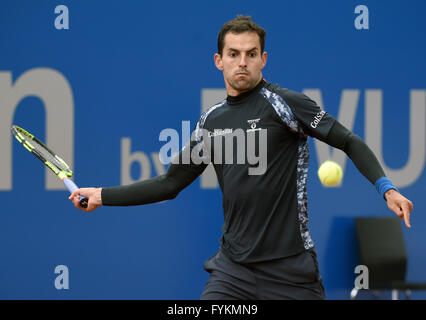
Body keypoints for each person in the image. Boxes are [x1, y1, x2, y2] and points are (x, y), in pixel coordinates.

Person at [69, 15, 414, 300]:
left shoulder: (287, 104)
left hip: (291, 271)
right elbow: (170, 183)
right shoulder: (211, 121)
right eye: (233, 54)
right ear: (219, 61)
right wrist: (101, 195)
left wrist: (387, 188)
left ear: (264, 59)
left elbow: (349, 141)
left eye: (251, 54)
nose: (242, 62)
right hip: (232, 272)